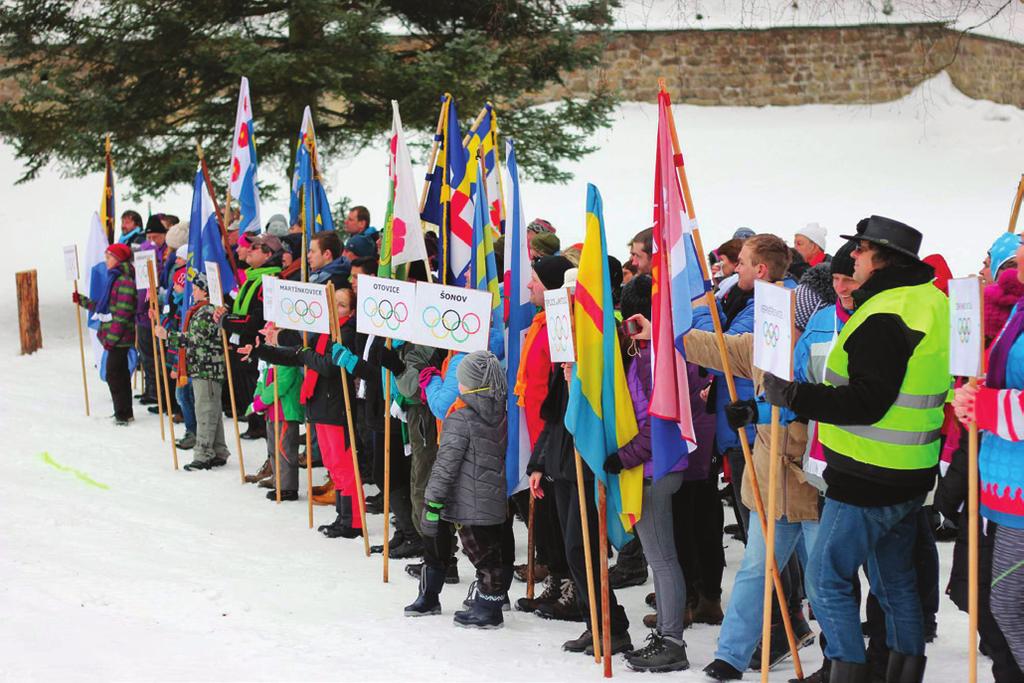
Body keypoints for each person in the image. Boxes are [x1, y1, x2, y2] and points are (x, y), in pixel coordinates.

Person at [764, 216, 949, 683]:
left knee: (825, 580)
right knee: (895, 582)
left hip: (869, 474)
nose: (855, 259)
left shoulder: (885, 312)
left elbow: (867, 401)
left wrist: (793, 396)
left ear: (884, 257)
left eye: (862, 251)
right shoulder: (929, 300)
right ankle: (903, 673)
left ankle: (848, 671)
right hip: (910, 468)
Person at [611, 274, 690, 673]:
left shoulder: (648, 361)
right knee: (663, 558)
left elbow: (653, 423)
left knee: (662, 559)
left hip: (655, 467)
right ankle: (667, 633)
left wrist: (623, 458)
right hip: (662, 465)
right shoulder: (658, 352)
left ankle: (671, 641)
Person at [953, 235, 1024, 679]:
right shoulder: (1020, 309)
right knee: (1004, 606)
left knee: (1008, 606)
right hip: (1004, 484)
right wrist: (976, 395)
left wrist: (985, 408)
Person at [405, 351, 509, 628]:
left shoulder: (460, 418)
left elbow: (445, 465)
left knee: (474, 554)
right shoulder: (499, 410)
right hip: (485, 497)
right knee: (487, 554)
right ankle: (474, 603)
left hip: (462, 498)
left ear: (468, 384)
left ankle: (486, 610)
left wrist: (432, 501)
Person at [513, 256, 576, 618]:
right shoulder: (541, 323)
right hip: (539, 437)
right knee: (548, 518)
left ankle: (570, 586)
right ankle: (555, 578)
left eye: (534, 279)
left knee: (560, 517)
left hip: (557, 438)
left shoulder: (561, 326)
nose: (529, 286)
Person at [155, 272, 230, 471]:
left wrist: (168, 336)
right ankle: (219, 449)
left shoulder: (206, 311)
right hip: (201, 367)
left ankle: (204, 454)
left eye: (196, 288)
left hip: (207, 368)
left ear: (205, 291)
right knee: (211, 409)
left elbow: (196, 338)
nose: (193, 291)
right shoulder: (199, 309)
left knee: (205, 410)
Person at [217, 234, 284, 442]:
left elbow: (256, 318)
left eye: (256, 247)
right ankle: (254, 423)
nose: (249, 250)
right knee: (244, 384)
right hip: (242, 342)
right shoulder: (253, 277)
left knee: (254, 384)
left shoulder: (269, 281)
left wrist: (227, 320)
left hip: (256, 344)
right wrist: (226, 309)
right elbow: (238, 302)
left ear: (268, 254)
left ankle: (260, 426)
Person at [73, 243, 137, 425]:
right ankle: (125, 411)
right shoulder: (114, 279)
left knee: (113, 374)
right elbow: (105, 306)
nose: (106, 260)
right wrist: (83, 301)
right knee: (121, 374)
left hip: (120, 338)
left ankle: (122, 413)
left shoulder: (124, 281)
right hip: (116, 337)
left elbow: (123, 313)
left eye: (109, 257)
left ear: (118, 259)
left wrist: (112, 339)